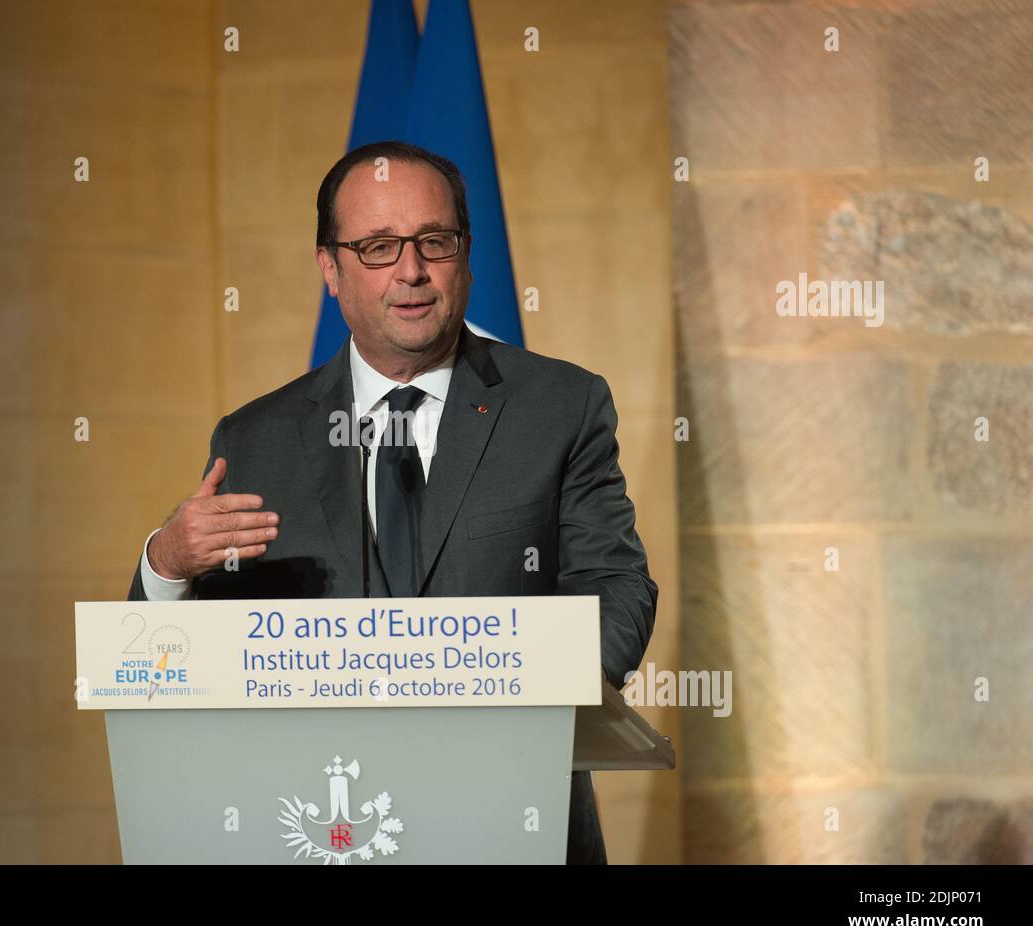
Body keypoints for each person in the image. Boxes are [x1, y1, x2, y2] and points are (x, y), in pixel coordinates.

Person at [127, 140, 658, 864]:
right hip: (322, 829)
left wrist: (546, 700)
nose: (411, 271)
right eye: (378, 247)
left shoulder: (560, 407)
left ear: (467, 255)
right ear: (330, 268)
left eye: (433, 242)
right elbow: (174, 663)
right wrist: (167, 564)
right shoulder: (256, 439)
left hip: (514, 818)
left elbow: (614, 584)